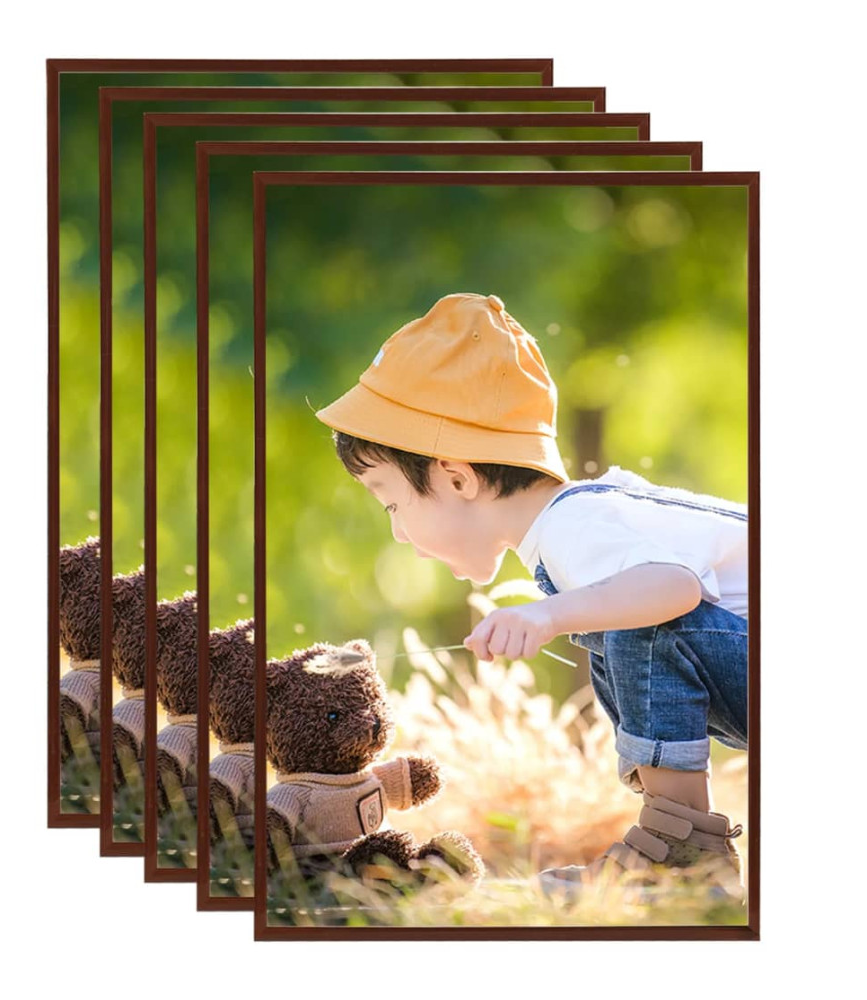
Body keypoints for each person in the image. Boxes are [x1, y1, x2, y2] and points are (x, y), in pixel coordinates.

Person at [314, 292, 748, 900]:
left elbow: (672, 590)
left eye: (392, 503)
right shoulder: (579, 524)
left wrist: (547, 614)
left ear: (457, 476)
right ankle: (675, 845)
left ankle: (684, 854)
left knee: (637, 620)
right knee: (616, 618)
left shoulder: (574, 526)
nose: (397, 530)